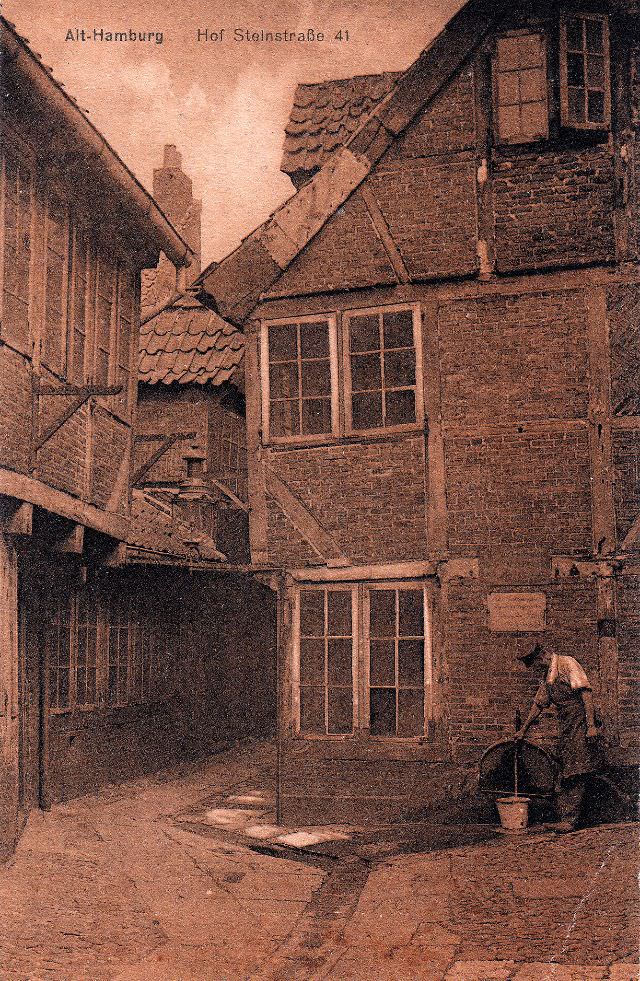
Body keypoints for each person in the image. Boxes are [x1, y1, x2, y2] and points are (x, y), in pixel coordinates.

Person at [514, 643, 601, 832]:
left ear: (544, 655)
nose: (536, 668)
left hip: (581, 720)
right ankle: (566, 817)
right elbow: (539, 704)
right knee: (567, 765)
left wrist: (591, 725)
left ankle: (570, 820)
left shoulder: (567, 664)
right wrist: (523, 730)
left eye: (536, 663)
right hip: (567, 723)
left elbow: (586, 694)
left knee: (576, 767)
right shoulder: (548, 676)